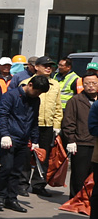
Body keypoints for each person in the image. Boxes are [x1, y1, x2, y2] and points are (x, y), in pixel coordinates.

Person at [0, 76, 47, 212]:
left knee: (17, 171)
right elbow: (3, 115)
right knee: (7, 167)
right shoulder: (11, 96)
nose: (37, 94)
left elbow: (34, 120)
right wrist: (5, 134)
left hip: (23, 139)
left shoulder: (36, 100)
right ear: (29, 85)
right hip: (9, 137)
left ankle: (11, 198)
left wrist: (35, 140)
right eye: (36, 91)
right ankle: (0, 196)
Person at [25, 58, 63, 197]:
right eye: (45, 66)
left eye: (51, 66)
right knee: (27, 155)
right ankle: (22, 184)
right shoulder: (27, 83)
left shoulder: (55, 85)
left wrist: (57, 125)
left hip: (47, 125)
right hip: (31, 124)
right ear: (36, 67)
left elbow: (58, 107)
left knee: (44, 156)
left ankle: (39, 184)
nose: (48, 68)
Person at [61, 71, 97, 200]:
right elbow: (68, 122)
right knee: (79, 176)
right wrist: (71, 140)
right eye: (87, 83)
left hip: (96, 143)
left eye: (94, 83)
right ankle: (75, 201)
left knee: (94, 176)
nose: (91, 86)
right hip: (81, 143)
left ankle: (90, 202)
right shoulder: (75, 101)